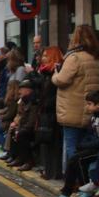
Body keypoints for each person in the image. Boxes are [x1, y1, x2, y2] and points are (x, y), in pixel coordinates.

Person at [50, 91, 99, 197]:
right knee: (74, 159)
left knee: (78, 160)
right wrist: (82, 144)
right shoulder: (94, 117)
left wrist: (85, 145)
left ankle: (83, 191)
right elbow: (89, 134)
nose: (87, 106)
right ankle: (66, 194)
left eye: (89, 104)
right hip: (92, 147)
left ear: (98, 105)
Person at [52, 25, 99, 168]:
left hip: (72, 108)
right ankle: (85, 178)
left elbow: (61, 80)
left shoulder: (74, 58)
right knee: (85, 147)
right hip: (89, 107)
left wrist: (55, 73)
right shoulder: (95, 57)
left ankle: (73, 180)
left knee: (71, 147)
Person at [36, 46, 64, 179]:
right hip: (44, 111)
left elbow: (55, 93)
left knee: (53, 142)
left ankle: (54, 171)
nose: (43, 58)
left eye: (46, 56)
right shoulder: (44, 73)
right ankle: (47, 169)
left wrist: (47, 104)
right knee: (45, 141)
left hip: (52, 112)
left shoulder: (55, 72)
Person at [6, 79, 39, 171]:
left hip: (32, 129)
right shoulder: (24, 101)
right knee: (13, 130)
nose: (19, 91)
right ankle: (17, 157)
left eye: (22, 89)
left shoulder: (33, 102)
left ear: (28, 90)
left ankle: (28, 161)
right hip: (24, 125)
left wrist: (21, 129)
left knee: (21, 134)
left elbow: (31, 121)